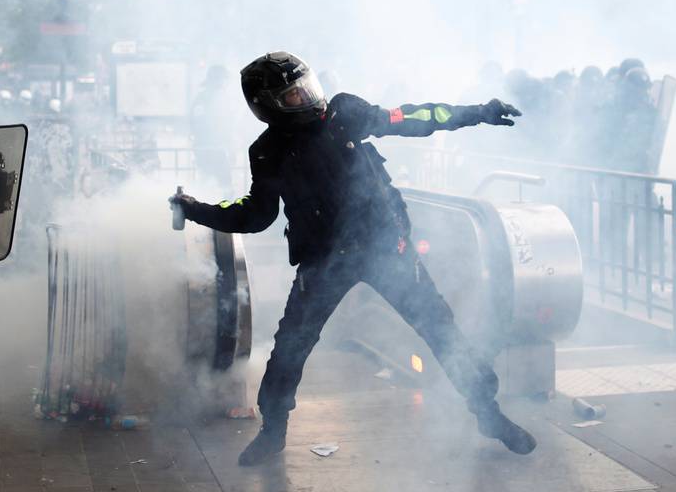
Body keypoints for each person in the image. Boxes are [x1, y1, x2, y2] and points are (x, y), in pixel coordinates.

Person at [171, 51, 535, 466]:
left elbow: (412, 118)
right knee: (291, 347)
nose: (308, 99)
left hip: (387, 250)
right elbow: (255, 215)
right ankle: (273, 431)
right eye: (293, 95)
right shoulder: (267, 152)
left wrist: (477, 113)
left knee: (442, 331)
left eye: (306, 88)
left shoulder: (344, 112)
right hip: (323, 263)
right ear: (266, 105)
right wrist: (194, 208)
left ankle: (488, 413)